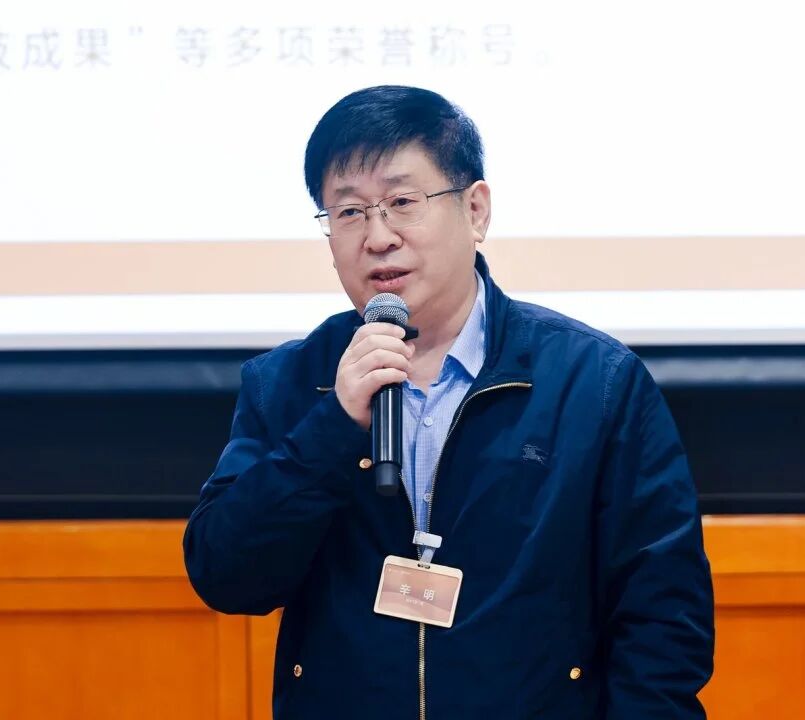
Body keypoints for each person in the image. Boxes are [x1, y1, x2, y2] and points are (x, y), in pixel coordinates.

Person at [184, 85, 714, 719]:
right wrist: (333, 427)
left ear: (476, 210)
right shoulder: (289, 384)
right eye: (348, 211)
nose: (378, 237)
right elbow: (227, 576)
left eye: (402, 202)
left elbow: (663, 615)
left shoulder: (595, 382)